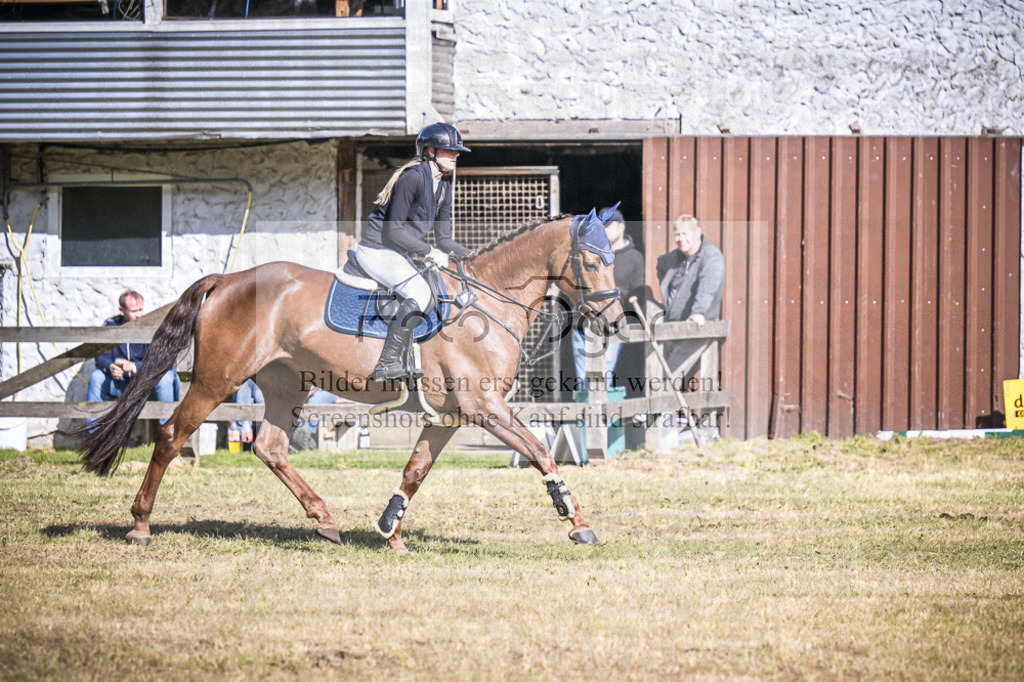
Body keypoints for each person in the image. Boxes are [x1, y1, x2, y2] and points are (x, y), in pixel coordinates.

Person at [355, 122, 473, 382]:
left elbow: (444, 239)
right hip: (377, 250)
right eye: (449, 151)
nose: (456, 155)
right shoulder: (413, 177)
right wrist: (428, 251)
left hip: (399, 255)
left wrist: (474, 256)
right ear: (430, 151)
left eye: (456, 151)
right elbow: (393, 232)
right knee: (420, 292)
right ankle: (386, 364)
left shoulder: (443, 187)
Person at [571, 207, 644, 389]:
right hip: (584, 322)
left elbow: (638, 291)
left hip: (612, 323)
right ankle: (585, 417)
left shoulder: (635, 257)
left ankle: (602, 416)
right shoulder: (592, 254)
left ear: (621, 227)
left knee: (604, 374)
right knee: (583, 376)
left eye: (607, 226)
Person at [87, 289, 180, 424]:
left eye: (140, 309)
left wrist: (134, 367)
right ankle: (93, 435)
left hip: (145, 385)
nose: (139, 315)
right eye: (134, 311)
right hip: (119, 384)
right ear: (121, 310)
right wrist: (110, 367)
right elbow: (100, 356)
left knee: (167, 378)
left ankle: (168, 434)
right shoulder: (110, 325)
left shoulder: (152, 326)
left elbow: (162, 361)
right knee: (97, 377)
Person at [656, 214, 725, 374]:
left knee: (666, 376)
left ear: (698, 234)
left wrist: (699, 312)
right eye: (677, 234)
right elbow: (660, 263)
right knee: (661, 373)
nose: (680, 239)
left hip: (696, 328)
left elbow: (708, 286)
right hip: (673, 326)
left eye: (685, 234)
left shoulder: (711, 257)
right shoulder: (675, 258)